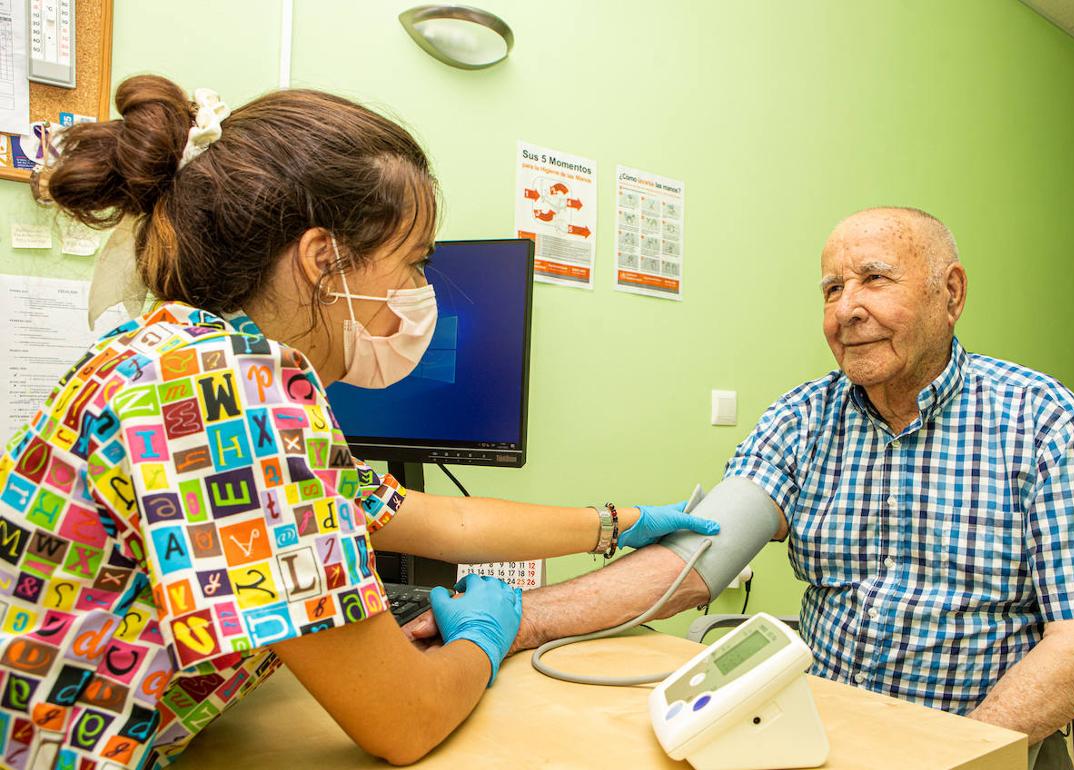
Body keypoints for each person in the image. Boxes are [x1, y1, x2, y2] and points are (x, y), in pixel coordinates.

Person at [0, 76, 718, 770]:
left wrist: (614, 522)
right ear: (322, 260)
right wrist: (487, 638)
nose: (419, 294)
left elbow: (421, 518)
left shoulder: (177, 353)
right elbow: (403, 721)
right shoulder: (227, 394)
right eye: (412, 263)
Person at [411, 206, 1074, 770]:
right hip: (817, 735)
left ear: (952, 293)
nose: (846, 309)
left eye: (875, 279)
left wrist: (958, 752)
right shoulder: (805, 417)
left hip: (971, 735)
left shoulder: (1044, 421)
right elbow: (689, 565)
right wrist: (516, 618)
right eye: (832, 287)